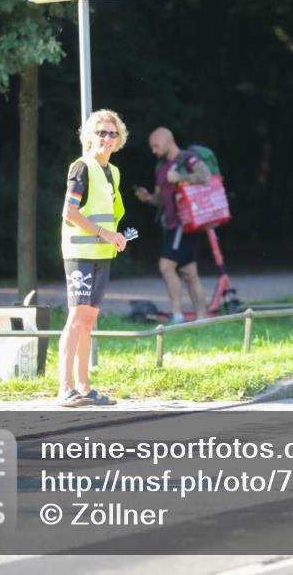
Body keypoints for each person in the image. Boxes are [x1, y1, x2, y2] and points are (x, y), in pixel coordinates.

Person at [58, 109, 130, 407]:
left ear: (119, 139)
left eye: (112, 134)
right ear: (89, 136)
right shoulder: (81, 167)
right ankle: (65, 388)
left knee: (88, 322)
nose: (107, 139)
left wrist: (116, 236)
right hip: (80, 253)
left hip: (102, 253)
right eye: (101, 133)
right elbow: (70, 212)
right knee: (76, 318)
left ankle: (85, 387)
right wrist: (104, 233)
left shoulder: (113, 172)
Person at [134, 126, 210, 322]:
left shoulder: (187, 159)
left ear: (168, 141)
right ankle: (202, 317)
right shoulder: (160, 167)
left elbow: (205, 176)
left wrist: (180, 178)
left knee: (166, 266)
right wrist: (148, 197)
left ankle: (177, 314)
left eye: (156, 146)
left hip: (183, 223)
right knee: (189, 272)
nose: (154, 151)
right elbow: (160, 199)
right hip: (169, 224)